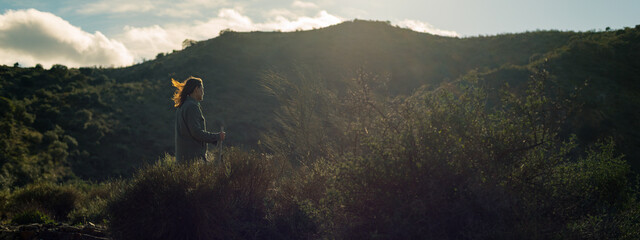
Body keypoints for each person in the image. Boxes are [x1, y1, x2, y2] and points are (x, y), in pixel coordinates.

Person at [171, 76, 225, 163]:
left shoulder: (182, 106)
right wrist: (217, 137)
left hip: (183, 159)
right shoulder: (192, 106)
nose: (203, 92)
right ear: (196, 89)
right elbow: (196, 132)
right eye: (202, 89)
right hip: (193, 159)